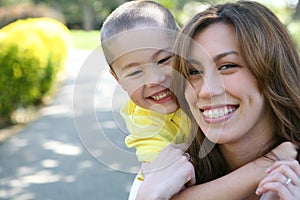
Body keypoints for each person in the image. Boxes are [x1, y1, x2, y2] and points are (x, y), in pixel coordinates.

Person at [101, 1, 299, 199]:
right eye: (193, 71)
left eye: (227, 66)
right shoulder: (157, 171)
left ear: (273, 69)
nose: (206, 91)